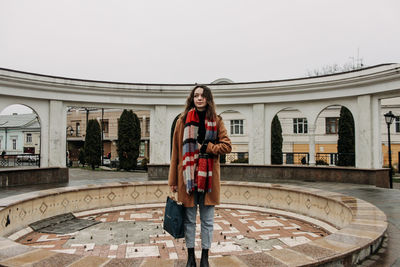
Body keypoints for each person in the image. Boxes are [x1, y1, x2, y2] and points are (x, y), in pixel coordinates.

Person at [168, 85, 232, 267]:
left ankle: (205, 257)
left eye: (203, 95)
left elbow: (227, 146)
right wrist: (172, 180)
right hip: (187, 179)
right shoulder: (182, 121)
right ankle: (190, 257)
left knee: (207, 221)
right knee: (189, 220)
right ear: (192, 98)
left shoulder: (217, 121)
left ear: (208, 99)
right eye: (196, 95)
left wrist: (207, 147)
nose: (199, 98)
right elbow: (175, 153)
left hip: (209, 179)